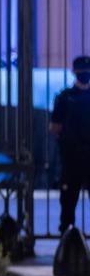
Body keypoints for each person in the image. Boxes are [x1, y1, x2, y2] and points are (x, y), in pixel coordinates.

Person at [50, 55, 90, 233]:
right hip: (72, 157)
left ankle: (67, 238)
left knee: (68, 200)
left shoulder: (65, 97)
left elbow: (54, 128)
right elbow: (55, 126)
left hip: (74, 157)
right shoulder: (64, 98)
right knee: (68, 202)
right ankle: (68, 239)